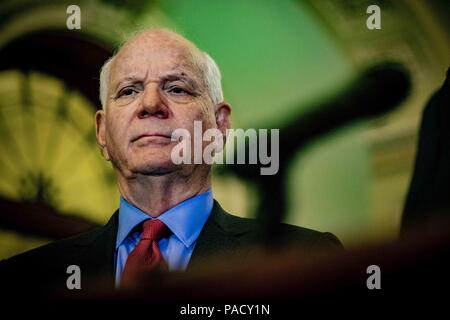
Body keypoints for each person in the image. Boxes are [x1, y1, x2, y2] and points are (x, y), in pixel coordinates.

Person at [0, 28, 342, 296]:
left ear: (220, 126)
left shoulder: (306, 258)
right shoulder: (25, 280)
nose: (150, 103)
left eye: (177, 88)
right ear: (102, 132)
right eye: (129, 91)